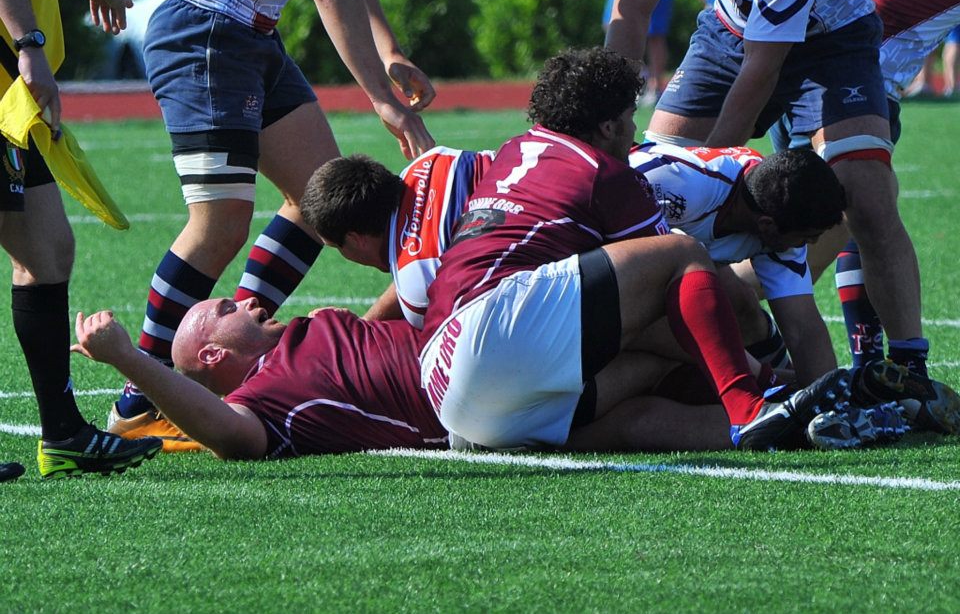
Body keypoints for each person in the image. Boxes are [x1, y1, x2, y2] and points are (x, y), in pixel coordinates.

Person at [417, 47, 865, 452]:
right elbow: (666, 312)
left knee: (645, 395)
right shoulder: (606, 173)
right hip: (499, 336)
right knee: (683, 254)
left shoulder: (513, 151)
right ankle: (751, 408)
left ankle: (797, 426)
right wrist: (770, 378)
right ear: (608, 124)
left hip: (453, 394)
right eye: (631, 115)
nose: (636, 129)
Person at [109, 0, 437, 443]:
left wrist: (389, 50)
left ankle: (238, 361)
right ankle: (140, 400)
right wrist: (381, 98)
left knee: (321, 203)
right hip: (206, 30)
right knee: (219, 223)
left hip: (249, 37)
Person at [606, 0, 932, 380]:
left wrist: (714, 173)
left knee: (866, 194)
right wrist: (609, 126)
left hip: (830, 38)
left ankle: (909, 371)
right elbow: (630, 16)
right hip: (729, 30)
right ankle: (737, 347)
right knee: (651, 180)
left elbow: (763, 68)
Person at [73, 297, 915, 457]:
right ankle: (787, 383)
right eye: (223, 305)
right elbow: (232, 436)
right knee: (657, 315)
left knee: (630, 413)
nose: (244, 294)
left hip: (504, 399)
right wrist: (129, 359)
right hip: (482, 396)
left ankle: (786, 420)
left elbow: (382, 330)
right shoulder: (259, 399)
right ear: (215, 357)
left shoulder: (307, 338)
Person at [301, 144, 842, 387]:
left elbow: (420, 304)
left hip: (568, 261)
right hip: (564, 201)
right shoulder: (429, 163)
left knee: (670, 343)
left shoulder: (419, 278)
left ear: (353, 237)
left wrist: (340, 347)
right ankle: (777, 385)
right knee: (708, 316)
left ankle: (770, 389)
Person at [0, 0, 161, 478]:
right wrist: (30, 44)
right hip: (7, 86)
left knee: (47, 253)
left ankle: (65, 436)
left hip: (11, 104)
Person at [768, 0, 960, 375]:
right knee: (799, 248)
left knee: (850, 228)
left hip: (791, 76)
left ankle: (868, 365)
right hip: (850, 97)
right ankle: (750, 355)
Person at [628, 144, 845, 387]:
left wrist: (831, 397)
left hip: (645, 278)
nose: (811, 243)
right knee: (656, 368)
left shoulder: (775, 208)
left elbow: (802, 328)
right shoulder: (676, 184)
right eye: (807, 236)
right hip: (600, 278)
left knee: (739, 304)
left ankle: (783, 390)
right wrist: (751, 372)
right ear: (767, 225)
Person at [301, 146, 496, 329]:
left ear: (356, 239)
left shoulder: (418, 286)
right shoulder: (433, 158)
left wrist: (353, 336)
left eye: (336, 246)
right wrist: (366, 323)